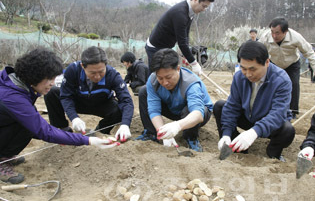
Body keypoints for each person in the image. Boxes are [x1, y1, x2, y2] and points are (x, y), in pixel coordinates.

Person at [0, 48, 118, 184]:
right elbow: (44, 132)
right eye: (49, 79)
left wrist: (64, 137)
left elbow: (38, 128)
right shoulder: (13, 97)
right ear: (35, 76)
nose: (52, 83)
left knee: (29, 123)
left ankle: (5, 156)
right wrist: (88, 141)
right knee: (30, 123)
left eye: (54, 78)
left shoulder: (18, 84)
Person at [214, 41, 295, 161]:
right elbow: (232, 106)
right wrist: (226, 133)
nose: (248, 74)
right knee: (220, 106)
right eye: (244, 68)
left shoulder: (281, 80)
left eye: (253, 69)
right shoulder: (239, 77)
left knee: (288, 129)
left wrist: (254, 132)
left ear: (267, 62)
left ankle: (274, 153)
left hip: (270, 123)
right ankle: (236, 144)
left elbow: (278, 114)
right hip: (248, 117)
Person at [44, 46, 134, 141]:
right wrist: (74, 118)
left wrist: (125, 124)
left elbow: (126, 101)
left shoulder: (113, 74)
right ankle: (62, 129)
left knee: (119, 110)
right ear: (83, 66)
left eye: (101, 71)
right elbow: (66, 96)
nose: (97, 76)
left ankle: (101, 131)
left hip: (101, 103)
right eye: (92, 73)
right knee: (52, 93)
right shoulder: (73, 70)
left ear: (105, 65)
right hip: (78, 101)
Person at [136, 49, 213, 152]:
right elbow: (154, 110)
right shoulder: (153, 80)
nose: (165, 82)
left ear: (177, 68)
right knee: (143, 92)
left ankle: (191, 138)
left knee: (189, 109)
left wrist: (177, 126)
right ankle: (151, 133)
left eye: (168, 77)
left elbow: (198, 114)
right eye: (160, 78)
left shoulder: (191, 83)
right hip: (173, 108)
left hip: (198, 114)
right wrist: (162, 132)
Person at [145, 0, 215, 74]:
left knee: (167, 75)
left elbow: (186, 35)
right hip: (154, 47)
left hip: (165, 47)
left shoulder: (190, 12)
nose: (204, 9)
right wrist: (193, 63)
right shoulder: (180, 13)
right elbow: (181, 42)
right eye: (204, 6)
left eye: (206, 7)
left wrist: (186, 55)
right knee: (156, 77)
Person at [263, 17, 315, 118]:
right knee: (270, 85)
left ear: (285, 31)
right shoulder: (265, 37)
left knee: (293, 85)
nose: (274, 36)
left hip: (292, 64)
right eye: (272, 32)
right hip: (274, 64)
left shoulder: (296, 37)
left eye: (277, 33)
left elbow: (309, 53)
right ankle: (270, 109)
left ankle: (293, 111)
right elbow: (259, 51)